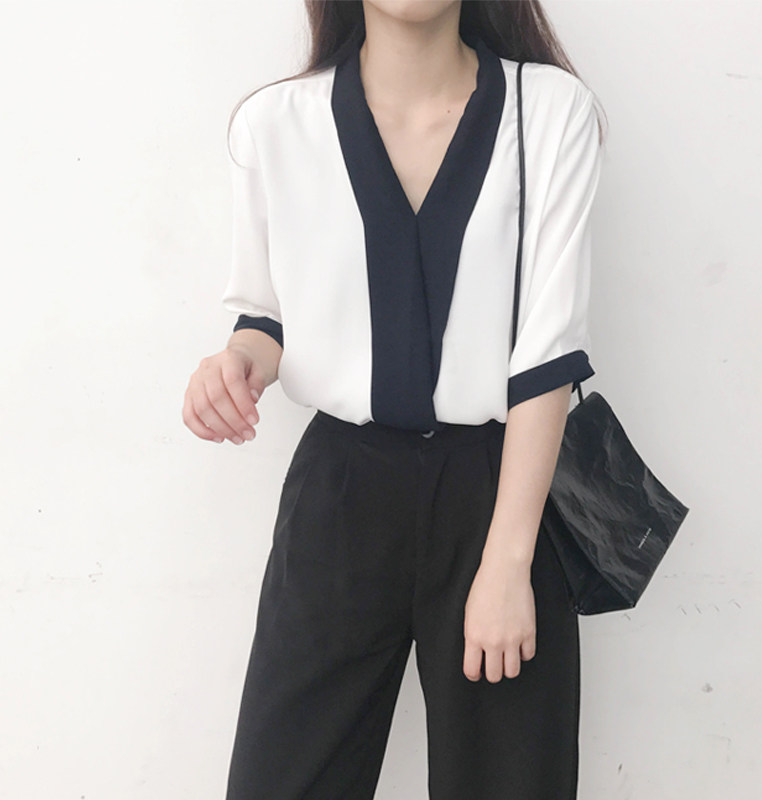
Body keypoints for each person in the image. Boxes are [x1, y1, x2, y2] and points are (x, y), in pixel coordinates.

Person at [182, 1, 606, 797]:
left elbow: (548, 355)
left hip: (500, 490)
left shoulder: (550, 112)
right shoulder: (276, 123)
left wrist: (508, 561)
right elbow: (266, 318)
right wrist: (236, 363)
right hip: (341, 491)